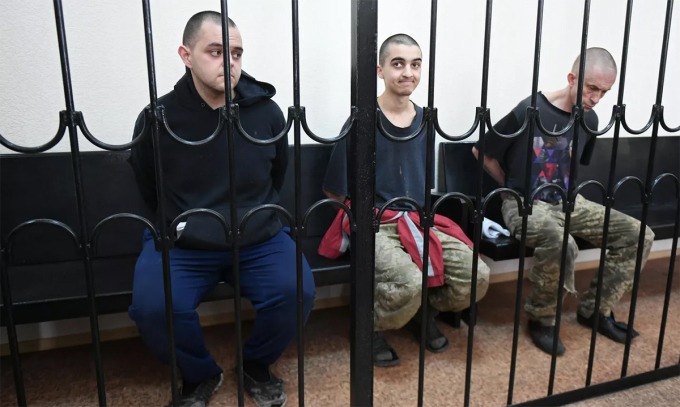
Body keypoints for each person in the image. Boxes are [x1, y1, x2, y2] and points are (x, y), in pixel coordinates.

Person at [128, 11, 314, 407]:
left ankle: (256, 364)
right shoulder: (159, 118)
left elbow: (277, 173)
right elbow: (146, 181)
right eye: (215, 52)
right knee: (154, 307)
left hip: (257, 236)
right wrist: (177, 224)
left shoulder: (266, 112)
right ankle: (200, 374)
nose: (229, 62)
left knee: (296, 290)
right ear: (186, 55)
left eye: (236, 53)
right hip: (184, 241)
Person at [319, 34, 490, 367]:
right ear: (380, 70)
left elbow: (422, 181)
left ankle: (419, 311)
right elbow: (334, 190)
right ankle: (369, 327)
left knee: (476, 276)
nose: (408, 72)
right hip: (374, 222)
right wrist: (360, 223)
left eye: (415, 64)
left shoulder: (426, 120)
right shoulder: (362, 119)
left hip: (418, 219)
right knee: (408, 281)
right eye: (398, 64)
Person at [472, 47, 654, 355]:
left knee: (639, 235)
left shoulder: (590, 119)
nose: (596, 98)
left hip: (570, 201)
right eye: (591, 88)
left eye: (604, 92)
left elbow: (573, 164)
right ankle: (542, 319)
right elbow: (481, 152)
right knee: (561, 243)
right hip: (524, 204)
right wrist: (511, 188)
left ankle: (595, 310)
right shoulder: (530, 109)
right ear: (572, 79)